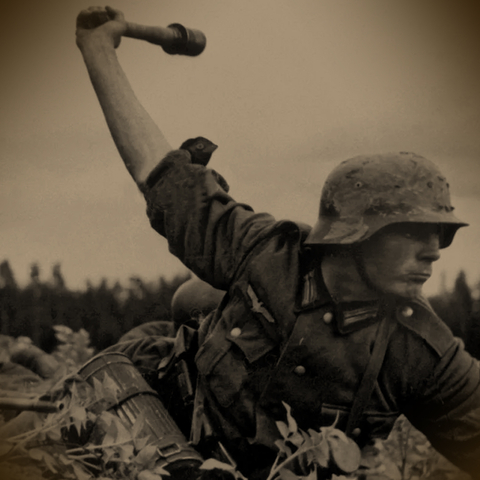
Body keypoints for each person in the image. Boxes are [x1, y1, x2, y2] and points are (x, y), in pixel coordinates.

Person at [75, 6, 480, 479]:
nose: (434, 250)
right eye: (412, 232)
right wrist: (98, 50)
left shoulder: (424, 355)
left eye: (440, 234)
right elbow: (164, 176)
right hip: (147, 426)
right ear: (354, 235)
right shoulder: (266, 252)